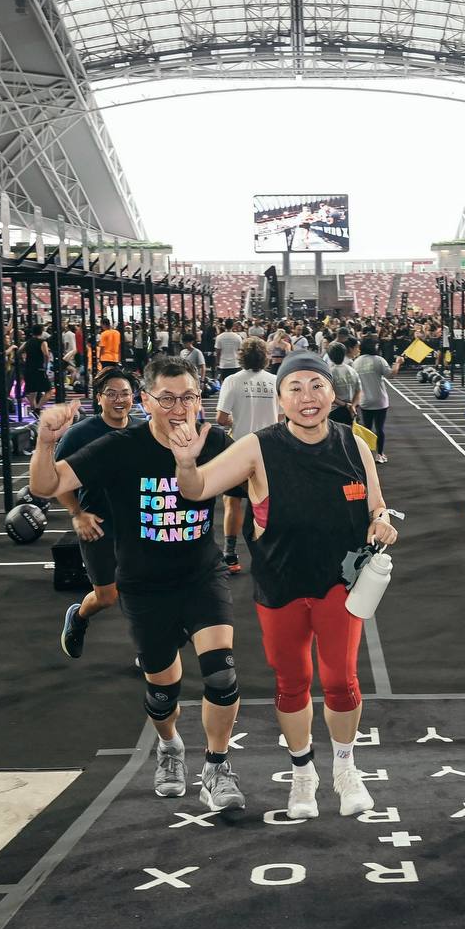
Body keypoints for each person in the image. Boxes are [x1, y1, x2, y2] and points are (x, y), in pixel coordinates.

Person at [168, 350, 399, 820]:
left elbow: (377, 504)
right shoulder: (257, 447)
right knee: (292, 683)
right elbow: (196, 489)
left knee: (342, 680)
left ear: (333, 393)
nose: (307, 397)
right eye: (295, 388)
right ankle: (302, 773)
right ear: (279, 398)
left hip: (339, 585)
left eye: (317, 385)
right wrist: (186, 463)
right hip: (280, 587)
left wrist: (381, 521)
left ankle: (345, 768)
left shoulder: (355, 444)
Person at [29, 356, 246, 811]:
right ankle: (169, 746)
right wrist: (45, 443)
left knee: (221, 674)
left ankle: (217, 766)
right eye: (167, 399)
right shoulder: (119, 447)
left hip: (201, 576)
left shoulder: (214, 441)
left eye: (188, 397)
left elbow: (258, 486)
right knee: (163, 694)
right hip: (145, 585)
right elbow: (47, 485)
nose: (179, 408)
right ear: (146, 401)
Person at [52, 367, 137, 660]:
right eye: (111, 394)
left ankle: (152, 650)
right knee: (107, 597)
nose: (119, 399)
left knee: (145, 590)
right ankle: (78, 617)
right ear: (99, 398)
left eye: (125, 393)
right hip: (98, 526)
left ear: (133, 397)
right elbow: (57, 480)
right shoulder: (79, 435)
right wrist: (76, 514)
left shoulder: (143, 430)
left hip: (137, 526)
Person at [215, 337, 280, 573]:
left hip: (239, 449)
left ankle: (230, 555)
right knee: (263, 503)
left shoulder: (232, 381)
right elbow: (282, 417)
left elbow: (221, 418)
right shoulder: (275, 381)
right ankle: (265, 554)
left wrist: (237, 420)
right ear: (265, 357)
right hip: (268, 449)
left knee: (232, 502)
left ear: (241, 356)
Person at [354, 336, 403, 464]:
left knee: (367, 429)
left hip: (364, 401)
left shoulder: (356, 362)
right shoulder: (378, 360)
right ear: (373, 346)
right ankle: (380, 454)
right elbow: (392, 374)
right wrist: (398, 362)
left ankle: (366, 455)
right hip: (380, 400)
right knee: (379, 429)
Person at [326, 340, 360, 426]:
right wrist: (353, 405)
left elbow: (330, 395)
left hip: (334, 411)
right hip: (351, 410)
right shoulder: (352, 370)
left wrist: (345, 405)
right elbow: (359, 391)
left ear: (330, 356)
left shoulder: (329, 372)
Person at [21, 324, 52, 418]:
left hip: (28, 368)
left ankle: (34, 410)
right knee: (48, 391)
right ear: (41, 332)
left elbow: (19, 351)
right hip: (39, 368)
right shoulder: (42, 342)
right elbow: (46, 355)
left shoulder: (28, 342)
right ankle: (37, 409)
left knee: (32, 391)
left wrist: (25, 360)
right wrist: (46, 366)